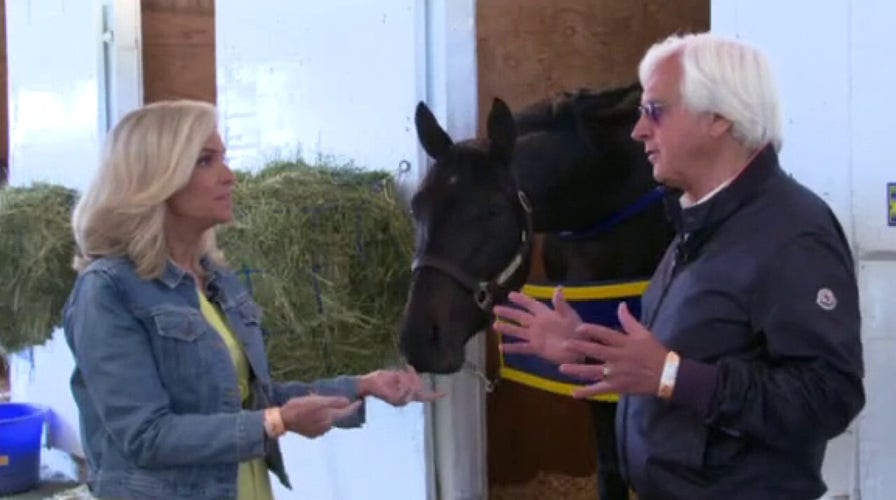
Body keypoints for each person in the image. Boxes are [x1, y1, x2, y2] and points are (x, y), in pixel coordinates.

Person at [493, 32, 865, 499]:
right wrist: (588, 350)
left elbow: (829, 397)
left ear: (719, 117)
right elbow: (675, 362)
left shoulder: (793, 235)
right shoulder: (693, 224)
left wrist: (672, 375)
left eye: (655, 112)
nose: (638, 131)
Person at [63, 100, 443, 500]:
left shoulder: (215, 281)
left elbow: (250, 402)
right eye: (206, 161)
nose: (230, 176)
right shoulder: (107, 290)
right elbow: (145, 435)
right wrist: (276, 422)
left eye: (223, 158)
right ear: (157, 177)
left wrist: (363, 385)